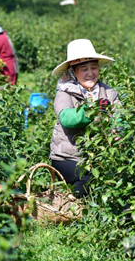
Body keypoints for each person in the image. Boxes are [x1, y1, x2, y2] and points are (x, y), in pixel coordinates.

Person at [49, 39, 119, 198]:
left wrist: (119, 130)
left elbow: (120, 117)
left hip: (99, 156)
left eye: (93, 68)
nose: (90, 73)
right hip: (68, 157)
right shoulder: (65, 92)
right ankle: (70, 205)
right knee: (88, 182)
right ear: (73, 71)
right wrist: (91, 111)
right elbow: (67, 118)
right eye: (84, 69)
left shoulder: (108, 93)